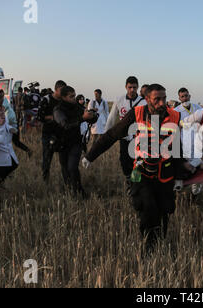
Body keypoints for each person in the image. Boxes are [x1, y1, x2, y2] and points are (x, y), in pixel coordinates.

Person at [83, 84, 185, 253]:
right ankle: (148, 248)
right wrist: (90, 155)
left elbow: (177, 148)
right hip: (141, 172)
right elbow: (113, 134)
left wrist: (179, 176)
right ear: (147, 100)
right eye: (157, 99)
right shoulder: (137, 115)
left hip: (164, 173)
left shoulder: (173, 116)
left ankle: (160, 242)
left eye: (164, 98)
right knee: (147, 208)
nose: (162, 103)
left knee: (164, 210)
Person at [105, 76, 147, 194]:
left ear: (138, 87)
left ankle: (134, 185)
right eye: (130, 87)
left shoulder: (143, 102)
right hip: (124, 136)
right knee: (124, 161)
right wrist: (106, 135)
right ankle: (129, 181)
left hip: (138, 137)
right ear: (126, 87)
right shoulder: (119, 100)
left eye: (134, 87)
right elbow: (112, 117)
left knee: (137, 162)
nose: (132, 90)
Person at [53, 86, 96, 196]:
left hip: (76, 143)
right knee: (65, 168)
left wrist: (92, 115)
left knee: (72, 167)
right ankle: (70, 190)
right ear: (63, 97)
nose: (74, 98)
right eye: (71, 96)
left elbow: (89, 117)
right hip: (62, 143)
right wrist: (83, 118)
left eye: (74, 95)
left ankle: (79, 191)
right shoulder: (58, 109)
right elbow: (65, 125)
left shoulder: (77, 106)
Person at [37, 80, 67, 182]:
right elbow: (39, 116)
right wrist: (52, 117)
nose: (63, 92)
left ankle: (67, 182)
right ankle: (45, 182)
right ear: (56, 89)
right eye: (61, 90)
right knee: (47, 159)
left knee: (64, 161)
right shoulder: (46, 99)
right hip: (48, 134)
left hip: (62, 134)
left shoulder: (64, 101)